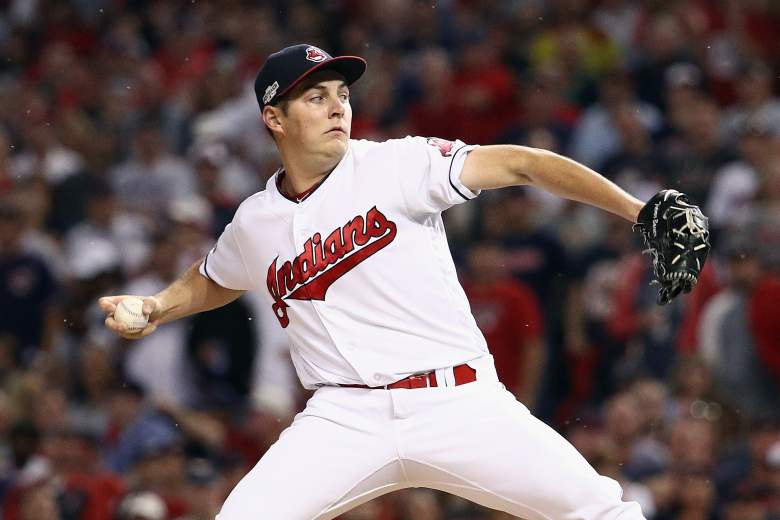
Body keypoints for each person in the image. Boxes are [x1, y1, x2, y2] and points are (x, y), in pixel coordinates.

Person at [99, 44, 660, 519]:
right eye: (315, 97)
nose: (337, 107)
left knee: (601, 511)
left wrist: (639, 212)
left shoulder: (397, 164)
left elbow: (522, 163)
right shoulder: (254, 220)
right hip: (344, 417)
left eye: (342, 94)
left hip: (456, 400)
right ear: (274, 118)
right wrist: (157, 306)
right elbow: (215, 277)